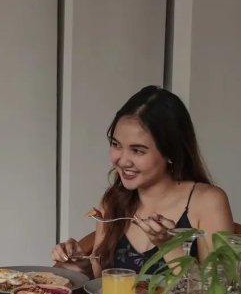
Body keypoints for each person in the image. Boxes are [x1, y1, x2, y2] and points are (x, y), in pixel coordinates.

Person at [51, 85, 234, 279]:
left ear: (170, 153)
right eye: (116, 145)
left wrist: (169, 246)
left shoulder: (208, 202)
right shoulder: (113, 201)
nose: (122, 160)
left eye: (137, 150)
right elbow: (101, 282)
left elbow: (218, 290)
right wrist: (82, 268)